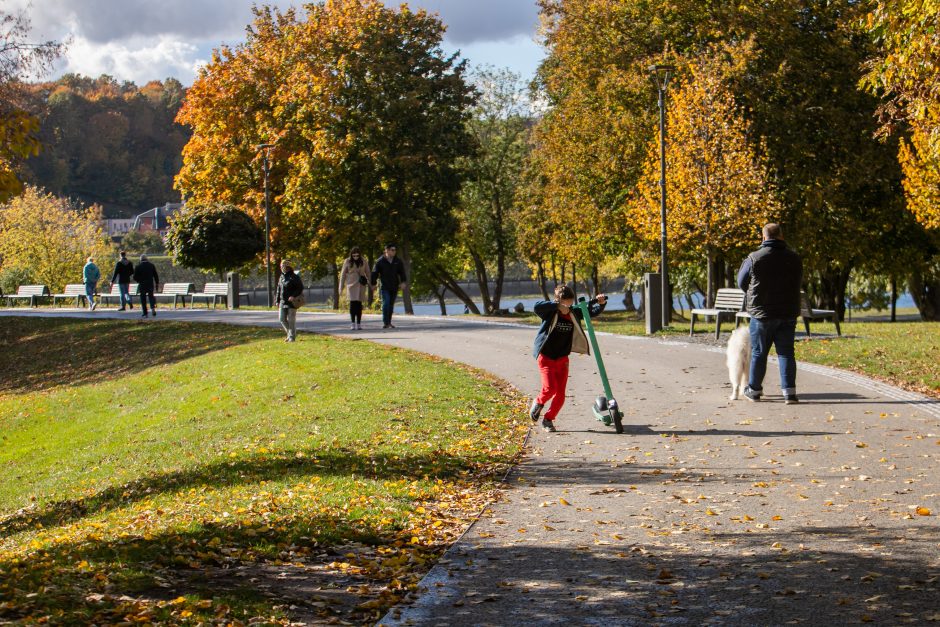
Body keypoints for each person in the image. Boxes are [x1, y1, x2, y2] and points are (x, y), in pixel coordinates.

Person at [737, 222, 803, 404]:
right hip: (787, 313)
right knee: (787, 353)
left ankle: (755, 390)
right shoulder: (794, 258)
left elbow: (741, 282)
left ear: (763, 236)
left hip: (761, 313)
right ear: (781, 236)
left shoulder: (754, 258)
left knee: (759, 352)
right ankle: (789, 393)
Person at [530, 285, 607, 432]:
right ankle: (538, 403)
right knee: (549, 389)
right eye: (565, 303)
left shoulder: (574, 312)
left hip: (562, 360)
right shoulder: (549, 312)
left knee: (560, 395)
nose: (568, 306)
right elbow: (536, 307)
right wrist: (557, 306)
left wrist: (601, 304)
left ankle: (548, 420)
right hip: (546, 357)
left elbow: (590, 313)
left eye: (570, 302)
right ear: (558, 300)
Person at [370, 243, 407, 329]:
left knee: (390, 305)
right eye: (392, 250)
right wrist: (373, 284)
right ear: (386, 250)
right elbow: (374, 273)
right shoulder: (380, 261)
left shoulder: (397, 261)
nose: (394, 252)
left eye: (395, 250)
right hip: (384, 286)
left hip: (394, 286)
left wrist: (403, 282)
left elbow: (402, 272)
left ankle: (389, 322)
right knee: (386, 303)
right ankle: (385, 322)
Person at [340, 247, 370, 330]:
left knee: (359, 305)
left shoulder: (364, 261)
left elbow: (368, 273)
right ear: (351, 255)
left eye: (357, 255)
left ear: (359, 255)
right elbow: (342, 275)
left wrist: (372, 284)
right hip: (351, 285)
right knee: (352, 304)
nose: (356, 257)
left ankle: (359, 323)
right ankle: (353, 323)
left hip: (361, 285)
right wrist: (341, 287)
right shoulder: (347, 261)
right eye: (354, 255)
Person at [275, 259, 304, 342]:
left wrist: (293, 296)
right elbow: (278, 289)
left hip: (292, 302)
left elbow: (300, 288)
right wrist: (277, 300)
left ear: (288, 267)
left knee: (291, 320)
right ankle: (289, 334)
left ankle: (292, 337)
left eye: (283, 266)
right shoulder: (281, 277)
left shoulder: (294, 277)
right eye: (281, 266)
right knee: (282, 319)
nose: (281, 268)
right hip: (282, 301)